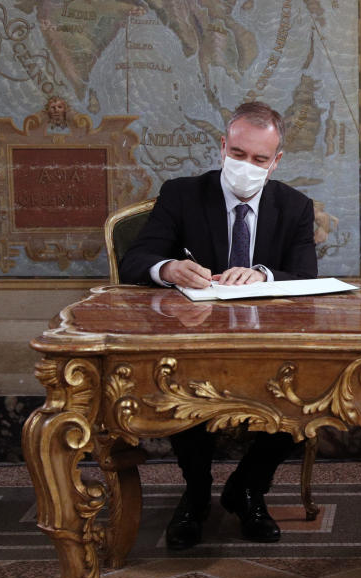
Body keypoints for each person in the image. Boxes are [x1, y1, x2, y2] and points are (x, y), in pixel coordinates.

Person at [120, 101, 317, 549]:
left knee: (309, 392)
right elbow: (137, 259)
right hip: (196, 337)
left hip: (268, 343)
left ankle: (248, 488)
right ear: (222, 147)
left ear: (276, 162)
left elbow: (307, 277)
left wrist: (264, 275)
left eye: (260, 160)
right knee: (181, 383)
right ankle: (195, 492)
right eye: (239, 154)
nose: (246, 166)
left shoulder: (294, 206)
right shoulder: (183, 194)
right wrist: (168, 268)